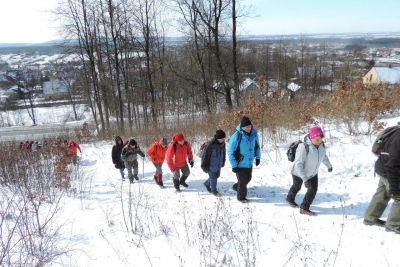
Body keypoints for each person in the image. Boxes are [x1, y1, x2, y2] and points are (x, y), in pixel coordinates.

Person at [286, 126, 332, 216]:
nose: (319, 141)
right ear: (311, 137)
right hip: (298, 172)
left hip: (312, 173)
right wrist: (305, 179)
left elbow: (323, 156)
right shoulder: (303, 147)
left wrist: (329, 166)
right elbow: (298, 165)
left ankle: (304, 207)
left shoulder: (321, 145)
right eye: (317, 139)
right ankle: (290, 198)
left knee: (313, 190)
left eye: (321, 139)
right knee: (297, 186)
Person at [364, 128, 400, 233]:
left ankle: (370, 218)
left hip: (382, 167)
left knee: (382, 193)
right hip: (388, 170)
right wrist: (394, 187)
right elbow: (393, 165)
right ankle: (393, 224)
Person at [228, 116, 261, 203]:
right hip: (239, 163)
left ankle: (236, 187)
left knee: (248, 178)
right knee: (242, 182)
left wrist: (258, 157)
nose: (249, 128)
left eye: (249, 126)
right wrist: (234, 165)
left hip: (249, 162)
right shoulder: (236, 136)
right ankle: (241, 197)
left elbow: (257, 146)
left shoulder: (254, 134)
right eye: (246, 126)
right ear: (242, 127)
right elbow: (230, 152)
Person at [201, 130, 226, 197]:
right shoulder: (210, 144)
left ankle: (207, 184)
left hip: (218, 164)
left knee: (216, 176)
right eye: (222, 138)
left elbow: (223, 153)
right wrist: (204, 166)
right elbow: (205, 156)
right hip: (210, 165)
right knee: (214, 178)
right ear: (217, 138)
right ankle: (214, 191)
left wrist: (223, 161)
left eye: (224, 138)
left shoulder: (223, 144)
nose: (223, 140)